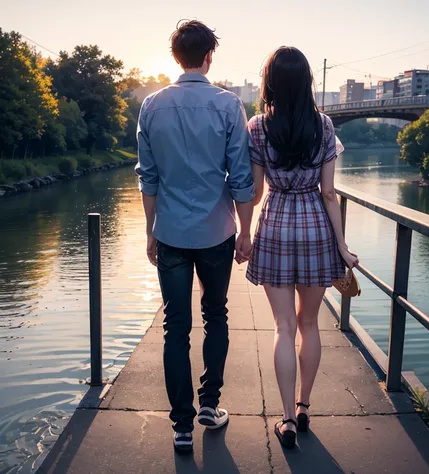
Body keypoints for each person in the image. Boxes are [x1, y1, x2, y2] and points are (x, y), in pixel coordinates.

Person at [135, 20, 255, 453]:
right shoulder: (228, 105)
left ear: (175, 57)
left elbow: (147, 178)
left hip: (169, 230)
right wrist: (245, 231)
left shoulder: (151, 105)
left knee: (175, 327)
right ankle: (209, 406)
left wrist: (151, 231)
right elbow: (242, 177)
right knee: (216, 315)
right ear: (209, 57)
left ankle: (181, 427)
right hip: (216, 231)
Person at [244, 47, 358, 449]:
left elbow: (255, 193)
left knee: (283, 327)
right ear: (308, 80)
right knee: (309, 324)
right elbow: (329, 193)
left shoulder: (257, 127)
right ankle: (305, 405)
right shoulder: (324, 126)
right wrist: (342, 245)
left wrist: (241, 229)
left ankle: (287, 420)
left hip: (275, 227)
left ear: (270, 82)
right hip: (314, 228)